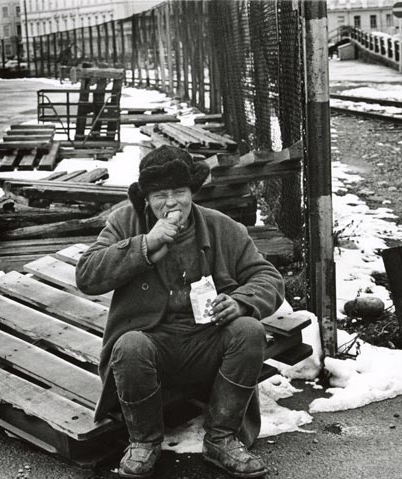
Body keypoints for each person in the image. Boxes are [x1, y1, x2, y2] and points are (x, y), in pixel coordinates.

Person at [75, 145, 285, 479]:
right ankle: (143, 442)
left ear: (192, 193)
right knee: (129, 345)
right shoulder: (124, 222)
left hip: (207, 345)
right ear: (146, 198)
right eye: (160, 195)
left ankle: (222, 438)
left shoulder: (222, 228)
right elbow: (86, 275)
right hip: (151, 347)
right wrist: (144, 244)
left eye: (179, 192)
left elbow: (268, 277)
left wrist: (242, 301)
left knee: (248, 330)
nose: (171, 203)